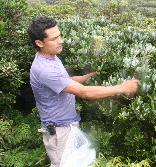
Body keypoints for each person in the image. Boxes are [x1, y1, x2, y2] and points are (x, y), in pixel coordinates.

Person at [28, 16, 138, 167]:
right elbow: (83, 93)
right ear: (39, 43)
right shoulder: (44, 69)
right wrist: (123, 88)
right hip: (60, 132)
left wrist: (86, 77)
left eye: (59, 35)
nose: (60, 41)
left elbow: (66, 81)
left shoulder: (51, 58)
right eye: (54, 39)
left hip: (67, 126)